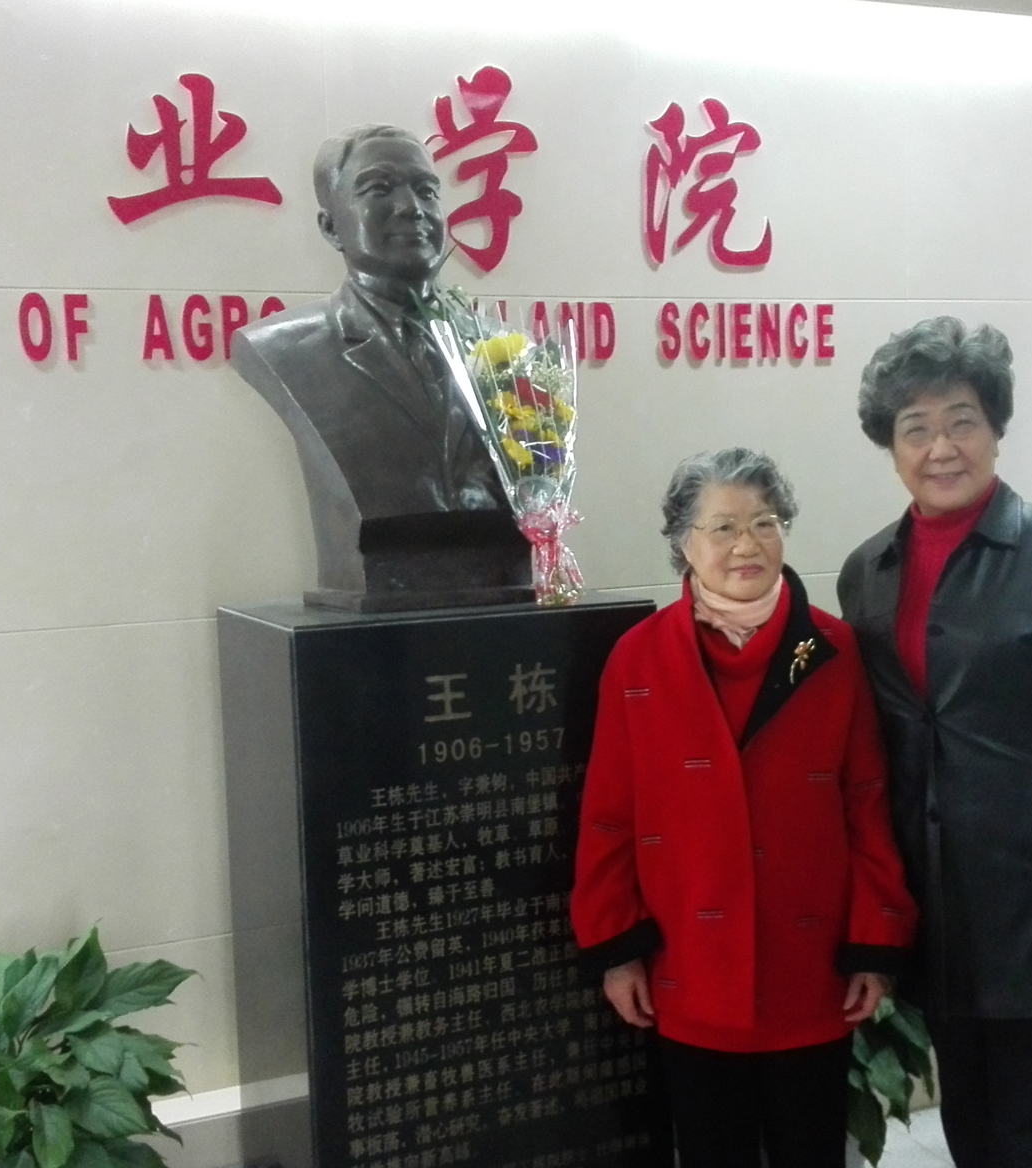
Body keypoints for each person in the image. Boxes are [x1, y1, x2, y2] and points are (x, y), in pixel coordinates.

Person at [836, 318, 1032, 1168]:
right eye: (916, 428)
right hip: (934, 902)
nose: (941, 448)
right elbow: (858, 725)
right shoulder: (868, 570)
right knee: (968, 1121)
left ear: (996, 428)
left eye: (962, 421)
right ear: (890, 447)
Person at [572, 448, 919, 1168]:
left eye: (765, 523)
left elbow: (867, 803)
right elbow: (608, 817)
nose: (746, 545)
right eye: (723, 527)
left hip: (811, 969)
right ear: (683, 544)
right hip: (687, 968)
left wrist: (875, 941)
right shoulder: (638, 660)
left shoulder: (830, 650)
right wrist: (616, 950)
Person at [231, 124, 527, 608]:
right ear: (331, 227)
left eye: (426, 190)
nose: (412, 207)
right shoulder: (286, 348)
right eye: (379, 189)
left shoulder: (506, 350)